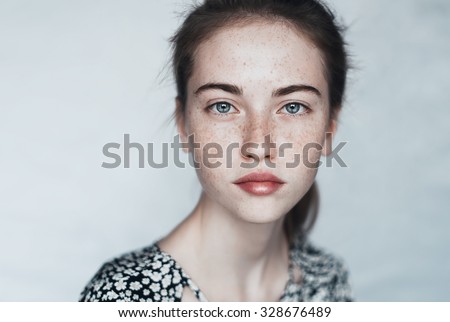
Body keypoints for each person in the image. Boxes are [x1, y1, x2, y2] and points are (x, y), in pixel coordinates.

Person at [80, 0, 353, 302]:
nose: (259, 146)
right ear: (184, 123)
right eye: (223, 107)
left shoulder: (327, 279)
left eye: (293, 106)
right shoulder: (123, 297)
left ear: (329, 128)